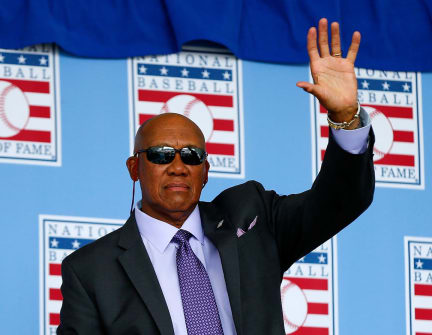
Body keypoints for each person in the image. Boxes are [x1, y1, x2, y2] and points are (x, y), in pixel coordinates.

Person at [58, 18, 375, 335]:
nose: (178, 166)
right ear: (134, 168)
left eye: (192, 156)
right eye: (161, 155)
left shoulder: (251, 218)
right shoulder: (91, 270)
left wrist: (345, 117)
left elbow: (341, 200)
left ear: (205, 171)